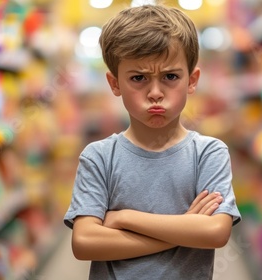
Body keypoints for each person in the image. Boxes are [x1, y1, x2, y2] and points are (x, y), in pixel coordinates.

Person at [63, 4, 241, 279]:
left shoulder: (208, 153)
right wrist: (185, 229)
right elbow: (85, 242)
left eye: (170, 76)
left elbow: (216, 232)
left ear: (192, 80)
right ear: (115, 84)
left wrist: (124, 218)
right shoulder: (99, 156)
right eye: (138, 78)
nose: (155, 93)